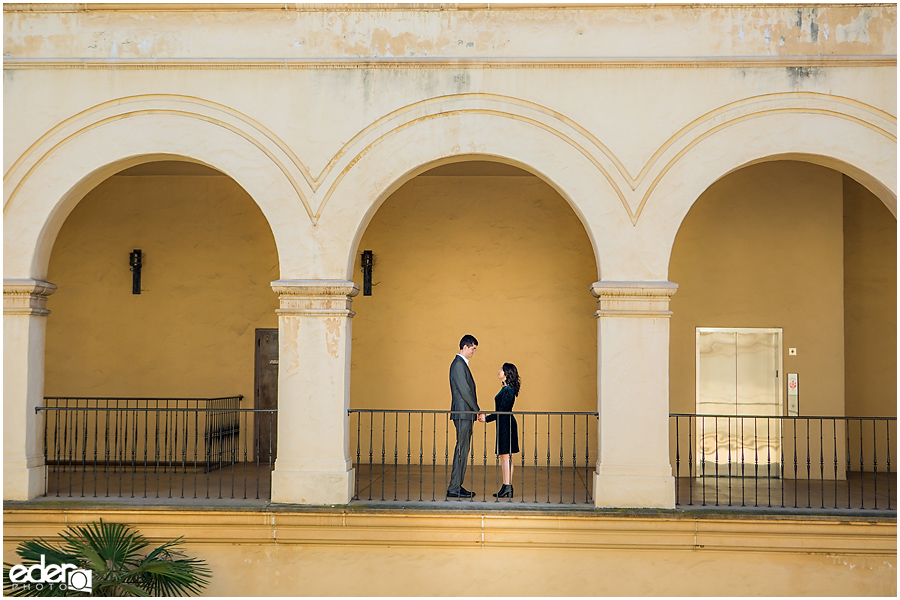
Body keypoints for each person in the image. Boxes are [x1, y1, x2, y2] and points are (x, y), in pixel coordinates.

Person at [447, 334, 482, 498]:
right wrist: (477, 410)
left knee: (463, 448)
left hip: (464, 413)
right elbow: (466, 392)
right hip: (463, 413)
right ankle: (454, 487)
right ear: (465, 347)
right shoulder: (459, 365)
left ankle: (456, 485)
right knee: (462, 449)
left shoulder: (460, 364)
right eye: (473, 348)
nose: (474, 352)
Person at [484, 362, 520, 498]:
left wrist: (487, 418)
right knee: (504, 457)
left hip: (506, 425)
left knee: (506, 456)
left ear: (507, 373)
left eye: (501, 369)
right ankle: (506, 486)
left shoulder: (508, 390)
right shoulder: (506, 388)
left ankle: (508, 486)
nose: (499, 371)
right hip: (503, 424)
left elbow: (502, 411)